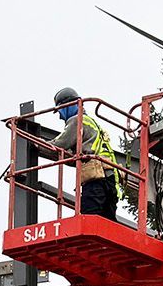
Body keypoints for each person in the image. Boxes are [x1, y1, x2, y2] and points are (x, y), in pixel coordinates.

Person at [49, 87, 119, 216]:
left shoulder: (77, 120)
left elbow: (59, 144)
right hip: (109, 181)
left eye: (59, 111)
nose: (59, 116)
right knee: (106, 223)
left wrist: (35, 144)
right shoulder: (92, 123)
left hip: (96, 182)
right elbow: (81, 156)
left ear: (67, 106)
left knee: (89, 217)